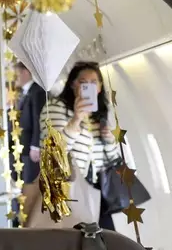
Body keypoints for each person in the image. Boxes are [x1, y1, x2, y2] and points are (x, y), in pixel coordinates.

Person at [39, 61, 121, 230]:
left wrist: (110, 140)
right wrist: (75, 120)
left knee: (105, 238)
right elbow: (53, 152)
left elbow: (113, 158)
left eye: (94, 83)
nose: (89, 87)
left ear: (99, 87)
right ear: (72, 85)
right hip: (69, 187)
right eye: (84, 83)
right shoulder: (56, 108)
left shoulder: (101, 113)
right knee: (78, 240)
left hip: (96, 187)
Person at [8, 62, 46, 227]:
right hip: (20, 148)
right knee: (21, 182)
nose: (14, 78)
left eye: (17, 74)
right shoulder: (24, 93)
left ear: (26, 72)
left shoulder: (37, 92)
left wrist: (36, 146)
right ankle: (20, 216)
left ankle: (29, 218)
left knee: (29, 183)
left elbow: (39, 120)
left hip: (29, 147)